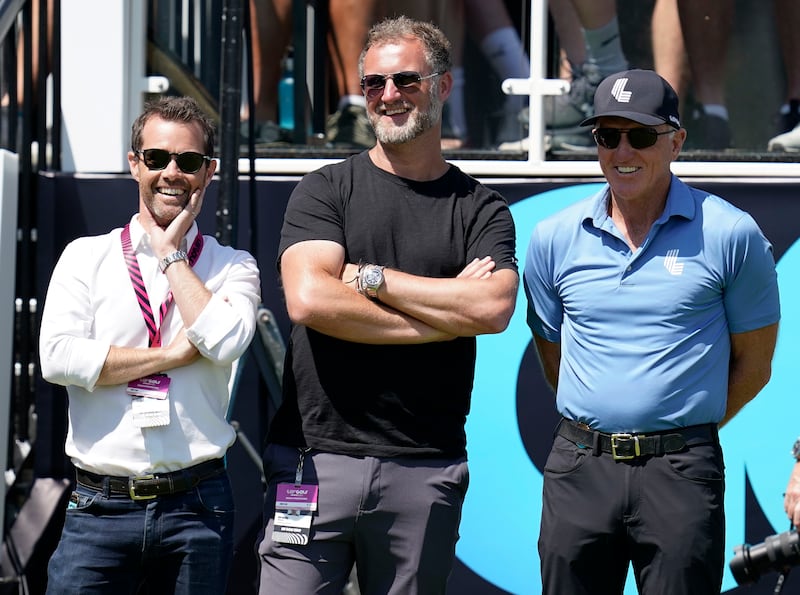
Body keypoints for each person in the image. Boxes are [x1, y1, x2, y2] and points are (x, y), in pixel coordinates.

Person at [256, 15, 518, 594]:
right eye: (374, 84)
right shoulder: (324, 189)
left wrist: (371, 278)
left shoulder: (480, 209)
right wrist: (442, 321)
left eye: (406, 81)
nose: (389, 96)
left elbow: (493, 308)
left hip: (423, 467)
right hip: (312, 460)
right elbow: (309, 299)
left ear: (444, 86)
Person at [523, 69, 780, 593]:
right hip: (579, 467)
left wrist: (677, 429)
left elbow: (754, 365)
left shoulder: (731, 234)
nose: (623, 151)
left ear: (676, 141)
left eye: (640, 135)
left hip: (681, 471)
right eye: (606, 136)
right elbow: (552, 353)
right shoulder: (552, 238)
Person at [38, 95, 261, 593]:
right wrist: (173, 356)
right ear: (135, 163)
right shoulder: (85, 257)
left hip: (198, 504)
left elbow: (225, 342)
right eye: (158, 158)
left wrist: (171, 256)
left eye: (188, 161)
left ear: (209, 172)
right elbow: (59, 358)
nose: (172, 173)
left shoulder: (234, 264)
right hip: (99, 506)